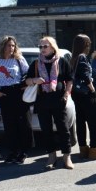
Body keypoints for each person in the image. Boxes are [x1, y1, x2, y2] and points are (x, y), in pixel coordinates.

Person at [25, 36, 74, 170]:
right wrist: (35, 80)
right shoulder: (36, 63)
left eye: (45, 46)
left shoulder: (62, 61)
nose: (42, 49)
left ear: (53, 47)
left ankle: (66, 156)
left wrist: (66, 94)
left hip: (58, 100)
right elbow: (26, 81)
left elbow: (70, 79)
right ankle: (51, 156)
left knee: (63, 128)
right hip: (42, 101)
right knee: (46, 130)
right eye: (40, 47)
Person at [0, 36, 32, 164]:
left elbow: (28, 73)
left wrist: (26, 84)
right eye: (8, 45)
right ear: (2, 46)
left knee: (23, 123)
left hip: (19, 92)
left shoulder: (19, 59)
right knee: (9, 125)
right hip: (5, 94)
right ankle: (13, 151)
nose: (11, 48)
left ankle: (23, 151)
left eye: (13, 45)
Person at [70, 34, 96, 160]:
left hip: (76, 94)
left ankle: (83, 149)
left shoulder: (73, 57)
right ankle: (94, 150)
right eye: (89, 44)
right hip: (86, 95)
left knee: (80, 122)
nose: (90, 46)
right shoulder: (83, 57)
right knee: (94, 121)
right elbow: (86, 76)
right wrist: (93, 90)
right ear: (85, 45)